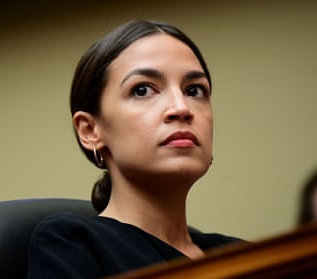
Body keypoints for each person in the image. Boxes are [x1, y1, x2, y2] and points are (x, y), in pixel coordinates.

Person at [27, 19, 244, 278]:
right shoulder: (74, 244)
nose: (181, 108)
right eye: (142, 90)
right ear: (90, 130)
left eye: (194, 90)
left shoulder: (245, 254)